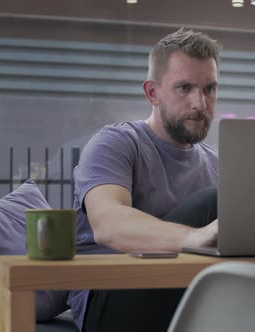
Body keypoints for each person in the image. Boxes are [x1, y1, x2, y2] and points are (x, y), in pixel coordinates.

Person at [65, 28, 222, 332]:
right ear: (152, 93)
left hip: (194, 293)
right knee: (215, 201)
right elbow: (108, 223)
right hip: (111, 296)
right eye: (184, 88)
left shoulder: (216, 162)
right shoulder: (115, 143)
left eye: (209, 89)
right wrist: (194, 238)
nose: (200, 103)